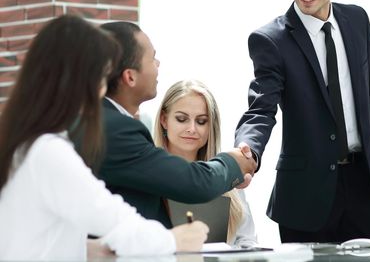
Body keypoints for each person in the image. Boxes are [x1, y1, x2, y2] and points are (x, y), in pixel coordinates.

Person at [0, 15, 209, 260]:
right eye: (102, 76)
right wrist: (176, 238)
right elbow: (115, 220)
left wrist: (87, 250)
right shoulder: (49, 152)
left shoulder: (22, 145)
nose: (103, 87)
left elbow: (37, 234)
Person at [235, 0, 370, 243]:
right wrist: (247, 148)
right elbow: (261, 108)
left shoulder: (358, 20)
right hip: (304, 195)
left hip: (363, 186)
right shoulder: (270, 40)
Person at [92, 21, 256, 230]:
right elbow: (193, 183)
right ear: (130, 76)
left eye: (201, 121)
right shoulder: (115, 129)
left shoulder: (100, 120)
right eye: (152, 58)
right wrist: (235, 162)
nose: (158, 64)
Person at [153, 80, 257, 248]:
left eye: (201, 121)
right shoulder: (148, 177)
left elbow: (248, 241)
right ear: (164, 120)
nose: (192, 129)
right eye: (181, 119)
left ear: (211, 126)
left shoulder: (228, 179)